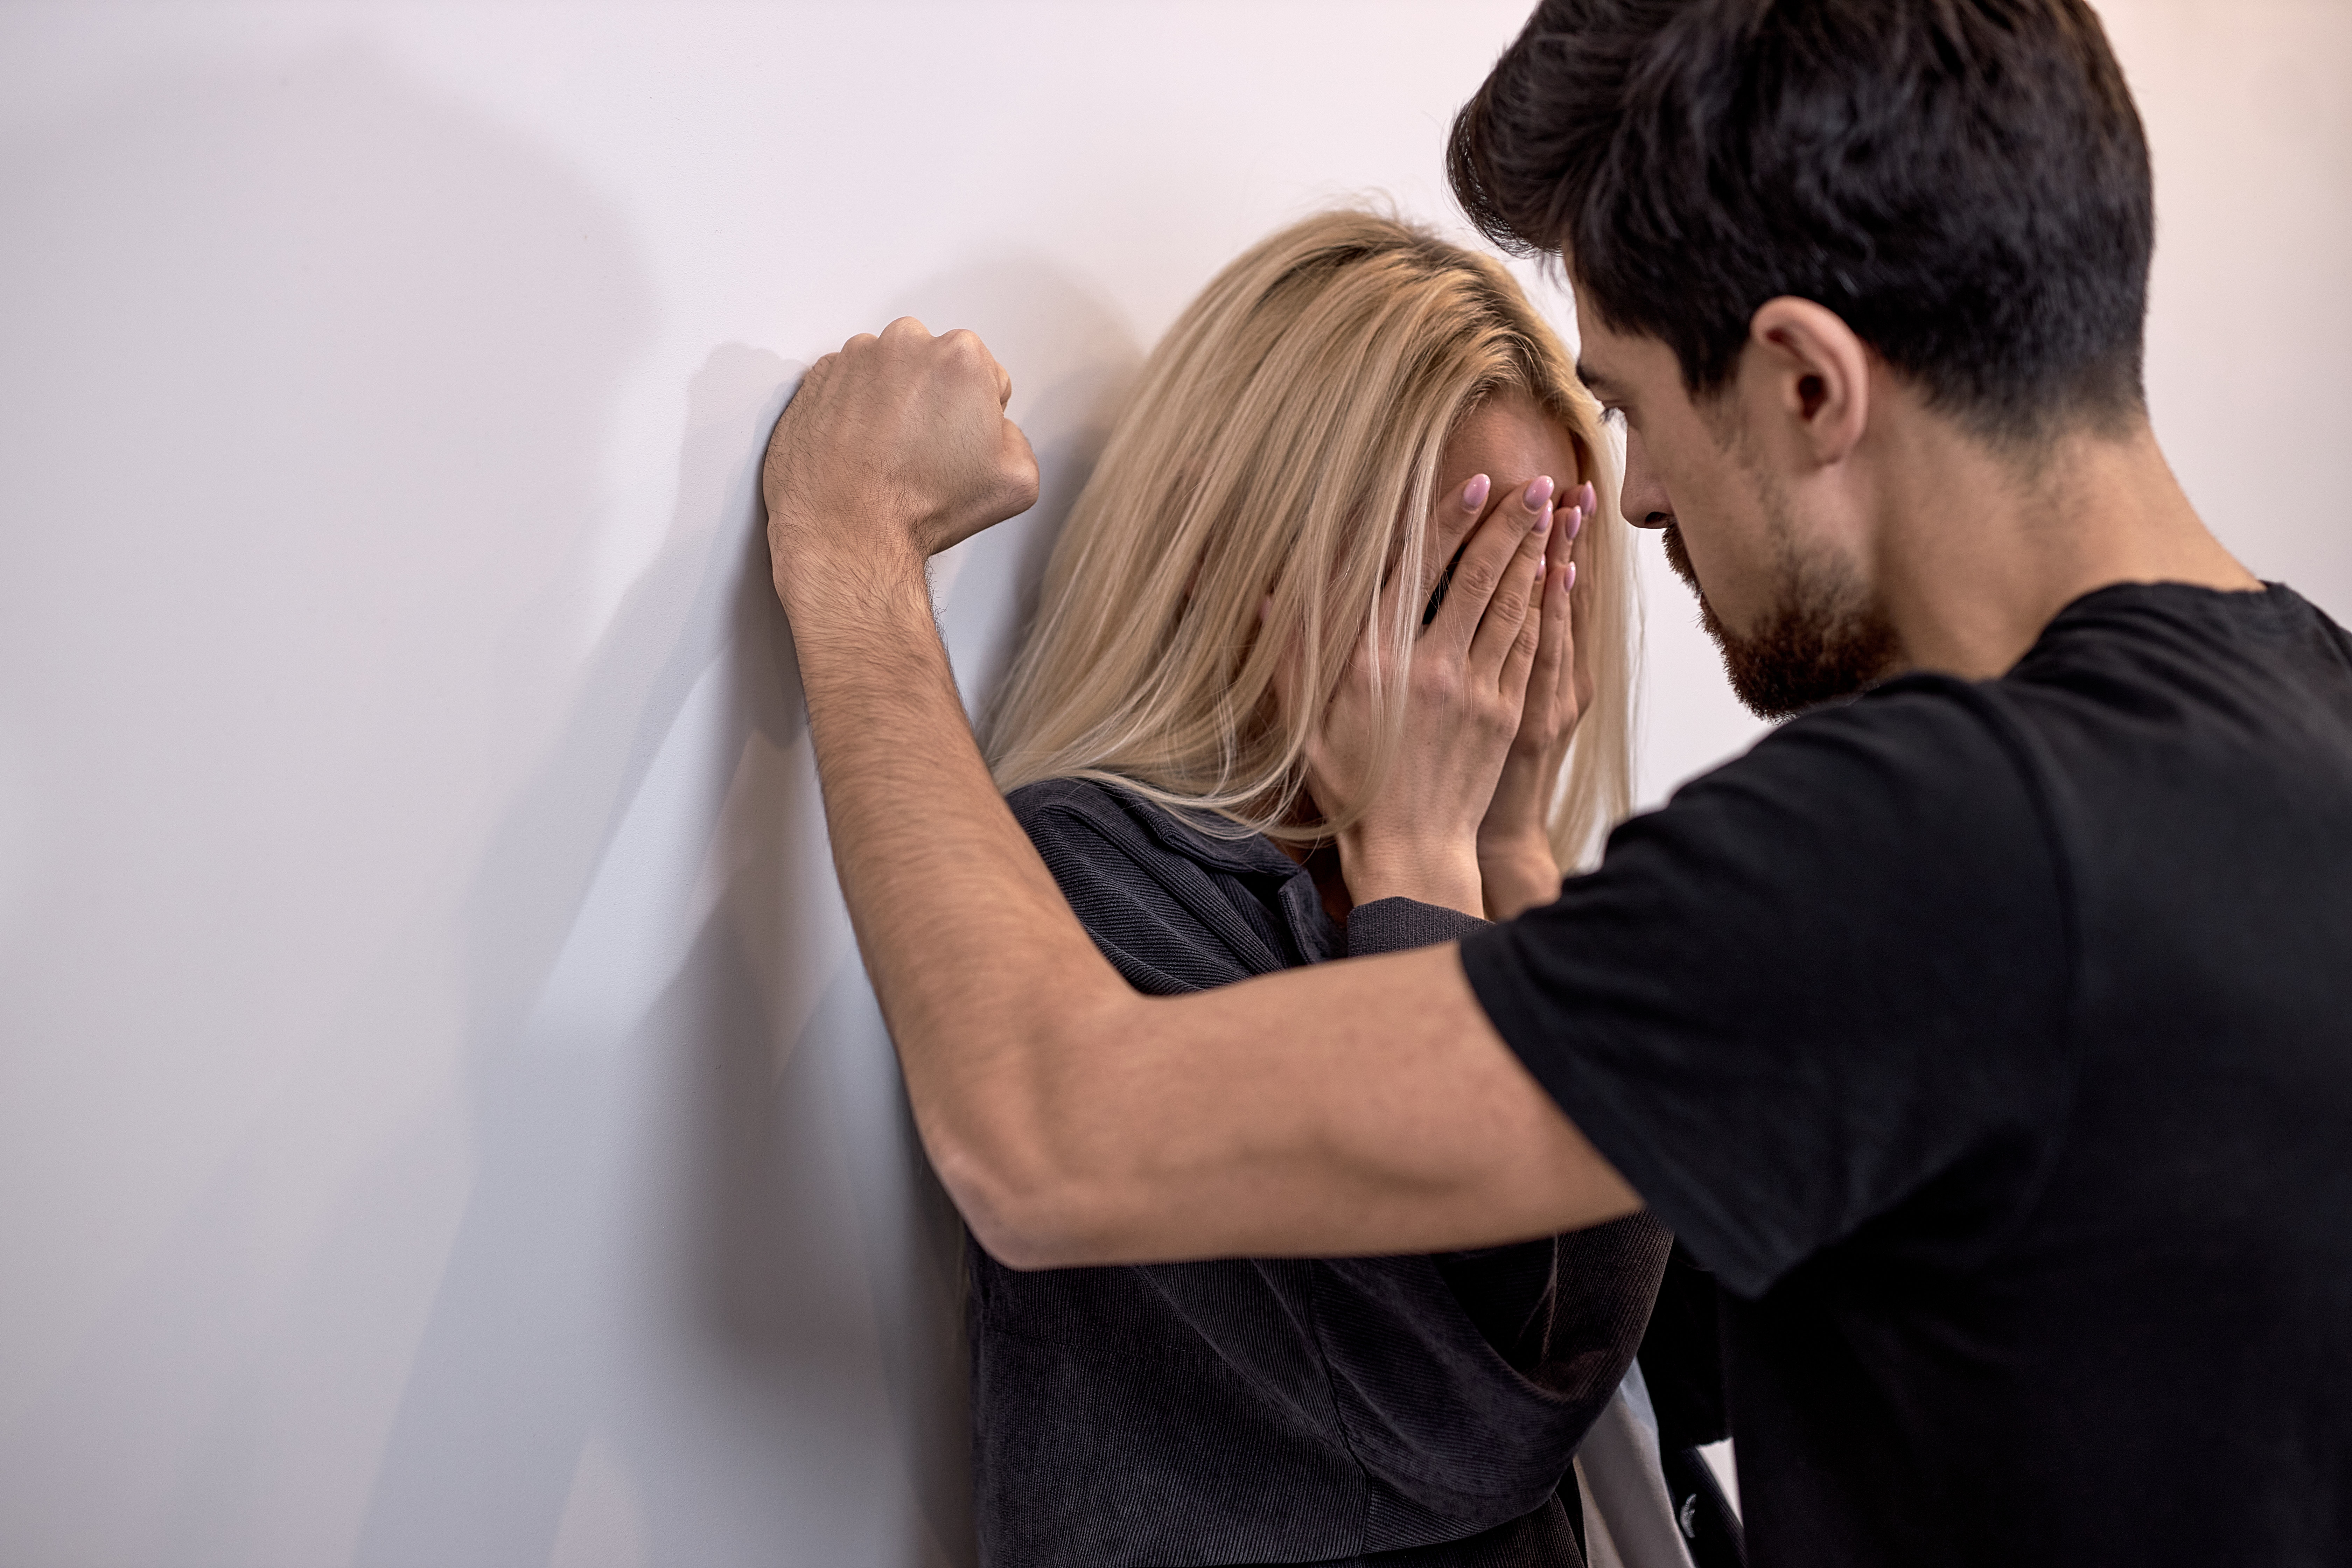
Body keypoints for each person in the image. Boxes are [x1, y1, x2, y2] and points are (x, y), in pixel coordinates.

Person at [759, 2, 2352, 1565]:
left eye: (1639, 412)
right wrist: (1499, 852)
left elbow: (1046, 1129)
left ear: (1808, 384)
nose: (1641, 499)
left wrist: (851, 553)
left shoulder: (1929, 849)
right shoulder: (2311, 713)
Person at [969, 208, 1701, 1568]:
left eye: (1535, 596)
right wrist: (1425, 857)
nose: (1491, 669)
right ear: (1261, 555)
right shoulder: (1098, 883)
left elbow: (1604, 1299)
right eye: (1459, 592)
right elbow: (1491, 1402)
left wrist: (1514, 850)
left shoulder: (1479, 882)